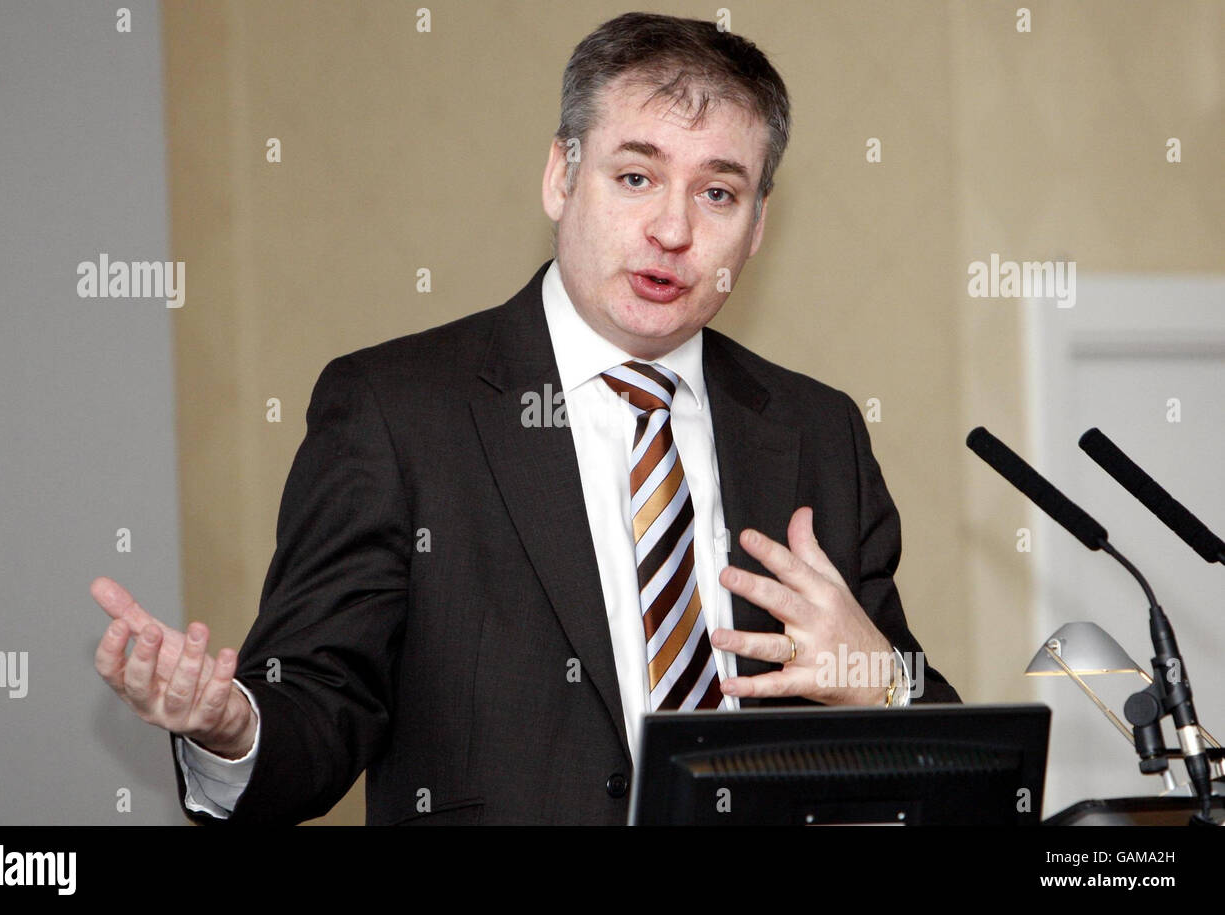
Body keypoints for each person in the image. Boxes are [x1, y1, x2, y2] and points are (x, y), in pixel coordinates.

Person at [92, 11, 959, 826]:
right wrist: (228, 725)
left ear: (758, 227)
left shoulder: (818, 431)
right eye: (635, 177)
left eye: (719, 195)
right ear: (560, 176)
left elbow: (959, 778)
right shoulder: (397, 411)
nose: (672, 228)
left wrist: (881, 680)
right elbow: (320, 708)